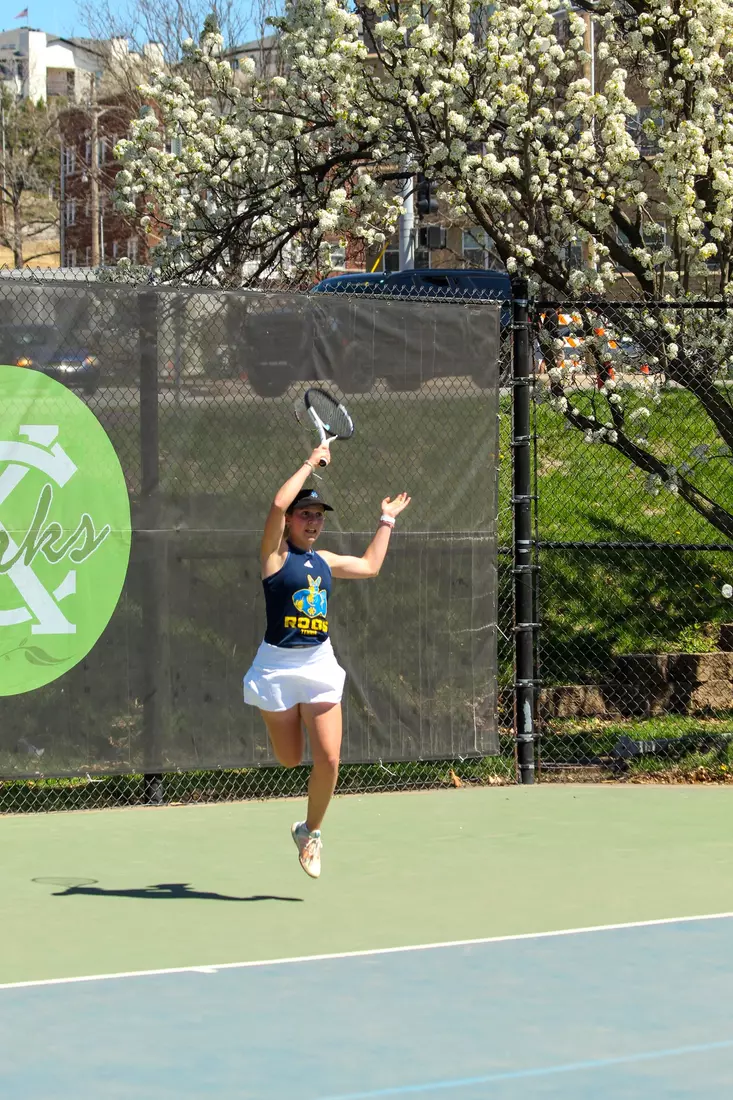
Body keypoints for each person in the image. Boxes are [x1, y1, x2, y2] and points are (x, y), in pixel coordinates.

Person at [243, 443, 411, 879]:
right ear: (291, 522)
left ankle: (310, 832)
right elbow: (279, 502)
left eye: (319, 516)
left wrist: (386, 519)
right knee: (289, 759)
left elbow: (371, 565)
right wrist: (309, 462)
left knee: (330, 760)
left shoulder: (326, 561)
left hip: (318, 664)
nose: (314, 521)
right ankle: (286, 720)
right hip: (276, 668)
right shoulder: (274, 556)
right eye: (306, 515)